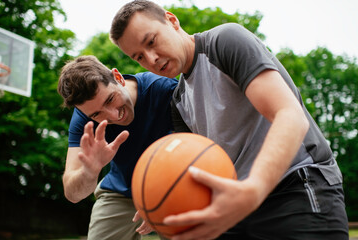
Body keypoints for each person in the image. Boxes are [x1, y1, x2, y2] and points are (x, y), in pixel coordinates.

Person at [109, 1, 349, 239]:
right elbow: (194, 167)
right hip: (239, 202)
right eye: (139, 56)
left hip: (296, 183)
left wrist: (254, 188)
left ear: (172, 21)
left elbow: (290, 115)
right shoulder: (178, 101)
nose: (151, 59)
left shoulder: (225, 41)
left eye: (151, 41)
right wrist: (158, 197)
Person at [57, 55, 178, 239]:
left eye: (110, 99)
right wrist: (90, 171)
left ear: (118, 78)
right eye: (97, 113)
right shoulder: (84, 119)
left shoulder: (164, 89)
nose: (113, 115)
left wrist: (162, 197)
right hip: (122, 190)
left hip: (174, 182)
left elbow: (202, 146)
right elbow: (72, 194)